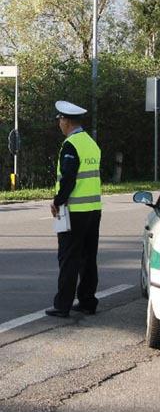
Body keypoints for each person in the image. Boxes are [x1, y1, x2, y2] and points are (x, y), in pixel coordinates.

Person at [46, 101, 102, 318]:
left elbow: (68, 178)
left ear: (66, 121)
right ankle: (88, 301)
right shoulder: (91, 143)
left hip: (74, 211)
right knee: (89, 257)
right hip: (93, 209)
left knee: (69, 258)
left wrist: (57, 201)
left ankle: (63, 305)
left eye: (60, 120)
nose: (59, 123)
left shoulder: (71, 145)